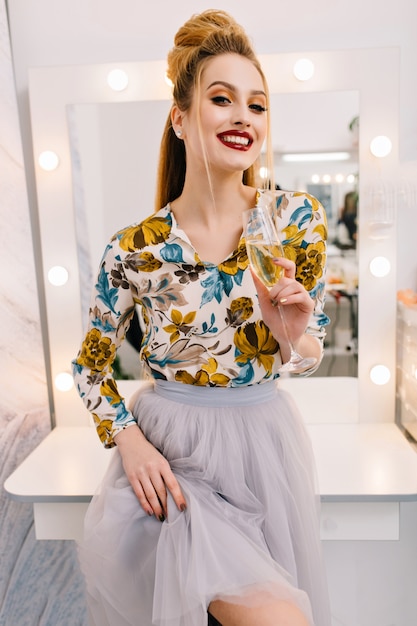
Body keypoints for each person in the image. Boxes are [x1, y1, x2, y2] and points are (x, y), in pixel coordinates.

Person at [72, 9, 331, 626]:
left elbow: (311, 346)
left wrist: (293, 338)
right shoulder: (134, 249)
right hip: (174, 463)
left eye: (258, 105)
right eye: (222, 98)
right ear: (181, 117)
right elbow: (90, 369)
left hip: (265, 450)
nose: (244, 116)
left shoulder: (294, 221)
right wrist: (130, 444)